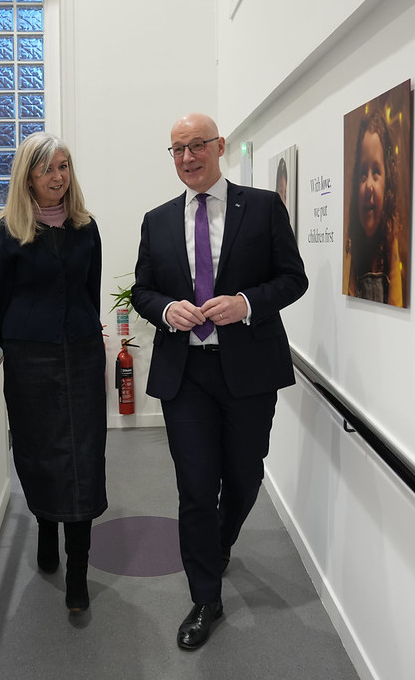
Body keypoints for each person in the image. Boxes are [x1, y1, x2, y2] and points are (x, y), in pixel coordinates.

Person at [131, 113, 308, 650]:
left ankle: (218, 542)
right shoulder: (157, 221)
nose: (187, 157)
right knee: (195, 488)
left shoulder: (263, 207)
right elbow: (142, 290)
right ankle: (205, 596)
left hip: (249, 371)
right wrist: (167, 311)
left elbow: (293, 278)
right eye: (177, 149)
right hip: (186, 375)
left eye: (197, 145)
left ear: (220, 146)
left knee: (245, 476)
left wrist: (247, 303)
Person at [0, 132, 107, 612]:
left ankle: (78, 571)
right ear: (27, 177)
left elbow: (90, 290)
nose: (58, 177)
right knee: (38, 453)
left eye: (63, 167)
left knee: (83, 457)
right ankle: (45, 527)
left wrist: (78, 330)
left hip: (82, 355)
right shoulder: (5, 233)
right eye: (47, 169)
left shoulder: (86, 228)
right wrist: (23, 338)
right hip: (31, 362)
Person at [343, 109, 404, 306]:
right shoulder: (350, 253)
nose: (368, 185)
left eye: (376, 171)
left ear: (388, 184)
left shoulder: (392, 250)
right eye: (363, 174)